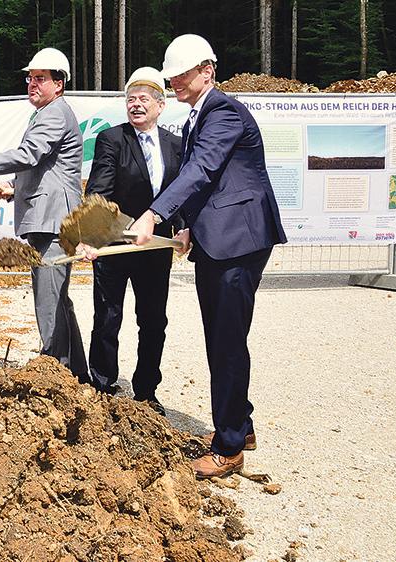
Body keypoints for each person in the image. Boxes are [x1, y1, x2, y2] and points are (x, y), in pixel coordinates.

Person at [128, 34, 287, 478]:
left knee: (226, 339)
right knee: (222, 334)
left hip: (240, 240)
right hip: (219, 239)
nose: (175, 81)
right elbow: (209, 184)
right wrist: (185, 228)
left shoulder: (223, 112)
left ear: (207, 70)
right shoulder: (200, 115)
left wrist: (154, 214)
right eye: (172, 75)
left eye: (182, 73)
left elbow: (202, 170)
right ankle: (241, 424)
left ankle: (230, 447)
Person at [0, 48, 89, 384]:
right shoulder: (49, 112)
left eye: (41, 78)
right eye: (30, 78)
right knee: (58, 298)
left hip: (53, 220)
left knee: (49, 299)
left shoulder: (54, 113)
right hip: (51, 216)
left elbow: (31, 155)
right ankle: (76, 373)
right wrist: (14, 188)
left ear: (59, 84)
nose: (32, 83)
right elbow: (48, 167)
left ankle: (54, 373)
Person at [77, 67, 187, 415]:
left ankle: (146, 391)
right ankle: (103, 385)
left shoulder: (175, 145)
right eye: (130, 100)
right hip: (114, 246)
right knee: (108, 318)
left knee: (153, 321)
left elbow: (181, 193)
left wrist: (183, 227)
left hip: (155, 249)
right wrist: (91, 238)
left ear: (160, 105)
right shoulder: (113, 139)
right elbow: (98, 191)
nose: (135, 105)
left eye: (143, 99)